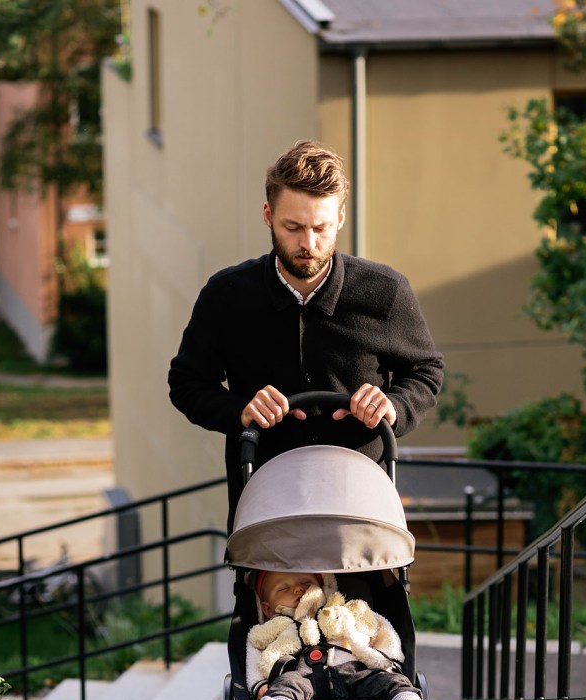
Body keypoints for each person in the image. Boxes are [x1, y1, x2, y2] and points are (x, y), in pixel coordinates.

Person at [167, 140, 444, 519]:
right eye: (293, 227)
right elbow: (186, 383)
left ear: (341, 218)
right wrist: (240, 410)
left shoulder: (386, 291)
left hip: (361, 511)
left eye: (321, 228)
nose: (308, 244)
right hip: (265, 512)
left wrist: (393, 406)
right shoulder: (225, 295)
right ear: (268, 215)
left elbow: (426, 371)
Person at [245, 569, 441, 700]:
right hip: (305, 681)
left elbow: (381, 629)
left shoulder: (343, 612)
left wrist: (388, 659)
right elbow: (254, 651)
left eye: (306, 583)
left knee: (387, 682)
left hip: (355, 676)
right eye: (283, 588)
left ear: (324, 586)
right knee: (286, 683)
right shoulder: (272, 629)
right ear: (267, 608)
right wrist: (260, 685)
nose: (298, 589)